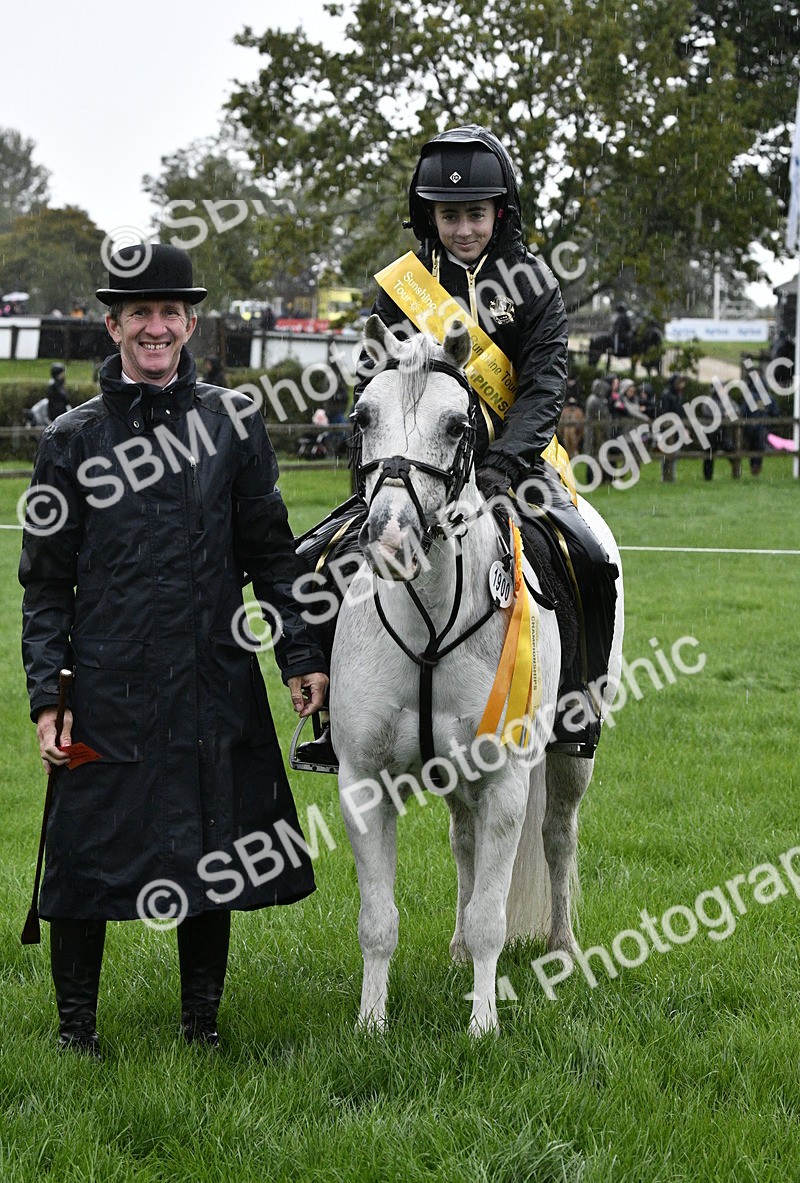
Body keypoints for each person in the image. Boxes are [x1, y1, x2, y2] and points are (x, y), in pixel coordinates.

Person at [19, 243, 328, 1056]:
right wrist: (49, 695)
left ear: (191, 322)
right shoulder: (68, 441)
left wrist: (301, 653)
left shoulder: (235, 423)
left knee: (211, 847)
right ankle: (74, 1033)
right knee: (85, 854)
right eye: (139, 313)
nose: (156, 328)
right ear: (111, 323)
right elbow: (45, 585)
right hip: (104, 684)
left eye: (171, 313)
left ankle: (202, 1026)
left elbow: (272, 552)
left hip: (211, 677)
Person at [295, 125, 619, 766]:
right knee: (317, 558)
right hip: (415, 468)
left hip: (516, 465)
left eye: (475, 214)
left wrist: (501, 464)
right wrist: (383, 470)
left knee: (587, 560)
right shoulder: (400, 288)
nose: (464, 228)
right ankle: (339, 725)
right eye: (450, 216)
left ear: (499, 212)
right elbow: (375, 388)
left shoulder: (534, 283)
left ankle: (572, 713)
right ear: (430, 216)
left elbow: (545, 384)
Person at [658, 373, 687, 482]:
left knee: (675, 453)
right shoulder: (666, 395)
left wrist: (683, 427)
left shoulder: (679, 396)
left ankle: (671, 476)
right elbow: (664, 412)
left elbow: (681, 412)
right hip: (668, 428)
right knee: (667, 453)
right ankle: (665, 476)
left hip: (678, 427)